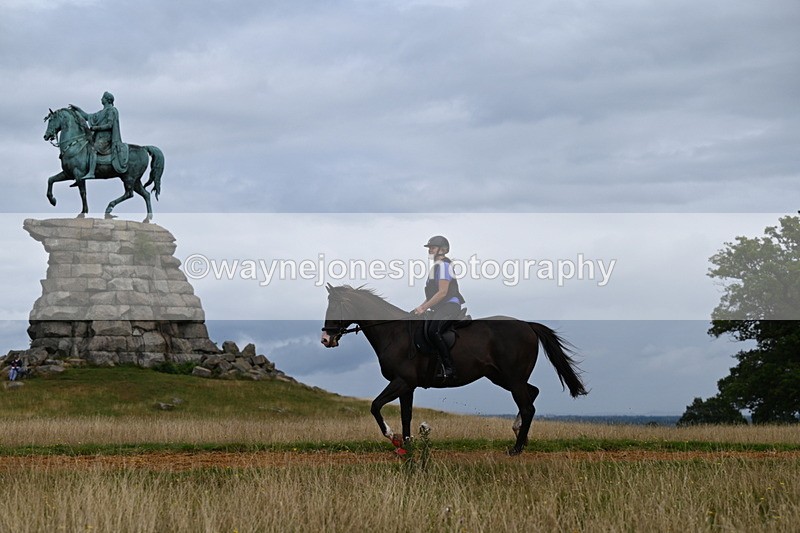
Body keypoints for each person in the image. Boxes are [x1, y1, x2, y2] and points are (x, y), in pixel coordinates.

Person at [414, 235, 465, 380]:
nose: (429, 250)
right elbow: (432, 296)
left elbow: (442, 293)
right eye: (429, 247)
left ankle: (449, 368)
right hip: (440, 306)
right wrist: (421, 307)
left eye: (433, 247)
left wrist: (423, 308)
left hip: (450, 305)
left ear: (443, 250)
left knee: (433, 331)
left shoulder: (444, 266)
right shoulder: (436, 267)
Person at [69, 91, 129, 181]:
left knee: (93, 149)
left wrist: (96, 128)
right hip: (98, 138)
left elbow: (110, 125)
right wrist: (78, 109)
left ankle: (91, 173)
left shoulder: (112, 110)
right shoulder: (101, 112)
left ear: (107, 100)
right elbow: (87, 116)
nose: (101, 99)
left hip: (106, 139)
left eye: (103, 98)